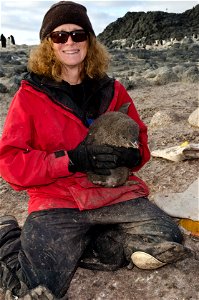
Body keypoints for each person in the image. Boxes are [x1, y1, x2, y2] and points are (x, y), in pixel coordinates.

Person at [0, 1, 190, 299]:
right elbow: (10, 164)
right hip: (58, 199)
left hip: (113, 195)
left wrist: (134, 155)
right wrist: (71, 160)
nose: (70, 42)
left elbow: (139, 138)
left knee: (167, 237)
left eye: (78, 34)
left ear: (90, 40)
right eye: (60, 36)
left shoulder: (112, 90)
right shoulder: (29, 97)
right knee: (36, 286)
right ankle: (7, 238)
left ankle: (95, 241)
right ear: (48, 44)